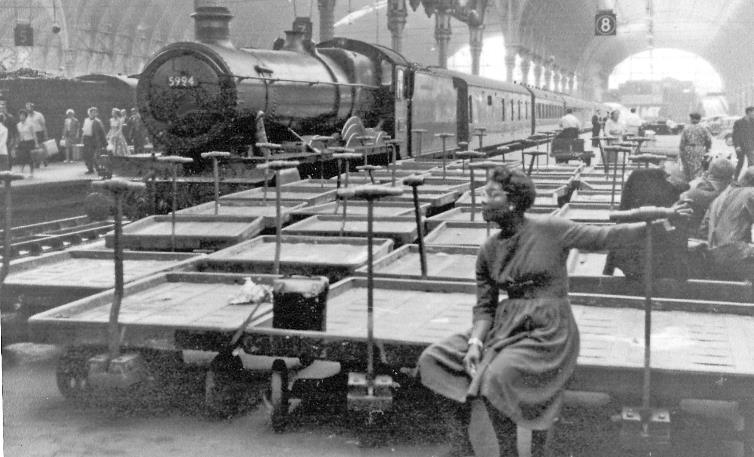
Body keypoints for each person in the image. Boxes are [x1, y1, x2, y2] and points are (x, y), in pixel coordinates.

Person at [417, 166, 688, 457]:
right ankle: (462, 448)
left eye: (490, 194)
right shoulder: (488, 250)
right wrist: (475, 342)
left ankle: (510, 453)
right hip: (504, 328)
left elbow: (601, 237)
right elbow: (485, 306)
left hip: (549, 328)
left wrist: (656, 224)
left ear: (512, 202)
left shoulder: (550, 228)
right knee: (433, 359)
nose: (482, 199)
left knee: (497, 377)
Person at [701, 166, 754, 280]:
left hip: (713, 256)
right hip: (737, 255)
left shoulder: (720, 196)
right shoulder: (751, 193)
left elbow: (703, 228)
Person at [679, 157, 735, 238]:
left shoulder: (693, 184)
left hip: (681, 233)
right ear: (728, 179)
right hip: (697, 238)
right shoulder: (718, 195)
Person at [678, 112, 712, 182]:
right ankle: (697, 182)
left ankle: (689, 183)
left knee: (688, 168)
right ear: (699, 119)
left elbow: (682, 142)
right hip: (700, 149)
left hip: (688, 149)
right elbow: (708, 140)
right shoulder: (704, 128)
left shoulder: (686, 128)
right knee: (698, 167)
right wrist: (707, 149)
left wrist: (681, 152)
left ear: (691, 119)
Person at [81, 107, 107, 174]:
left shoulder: (98, 121)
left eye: (94, 112)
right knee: (87, 155)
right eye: (92, 112)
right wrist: (82, 139)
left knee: (95, 156)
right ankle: (90, 169)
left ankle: (98, 169)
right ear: (89, 113)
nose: (93, 114)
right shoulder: (86, 120)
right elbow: (84, 131)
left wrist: (104, 142)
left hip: (95, 140)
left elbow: (102, 132)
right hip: (87, 140)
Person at [732, 106, 754, 180]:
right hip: (740, 146)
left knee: (751, 164)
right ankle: (735, 178)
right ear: (748, 112)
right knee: (740, 163)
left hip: (750, 146)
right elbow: (735, 135)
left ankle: (750, 180)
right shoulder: (738, 122)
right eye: (753, 112)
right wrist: (737, 146)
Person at [15, 109, 38, 175]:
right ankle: (21, 170)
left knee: (30, 157)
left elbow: (34, 134)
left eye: (22, 115)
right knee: (22, 157)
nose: (21, 117)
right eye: (20, 116)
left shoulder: (30, 124)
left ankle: (31, 171)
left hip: (29, 142)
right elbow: (18, 135)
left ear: (25, 116)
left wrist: (36, 143)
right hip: (22, 143)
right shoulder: (18, 125)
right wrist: (16, 143)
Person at [25, 102, 47, 167]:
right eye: (27, 108)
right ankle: (40, 160)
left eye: (30, 107)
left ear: (32, 107)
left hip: (39, 133)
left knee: (39, 148)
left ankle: (39, 162)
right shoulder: (26, 116)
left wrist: (45, 134)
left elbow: (43, 125)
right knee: (33, 148)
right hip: (31, 134)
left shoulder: (39, 115)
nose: (28, 109)